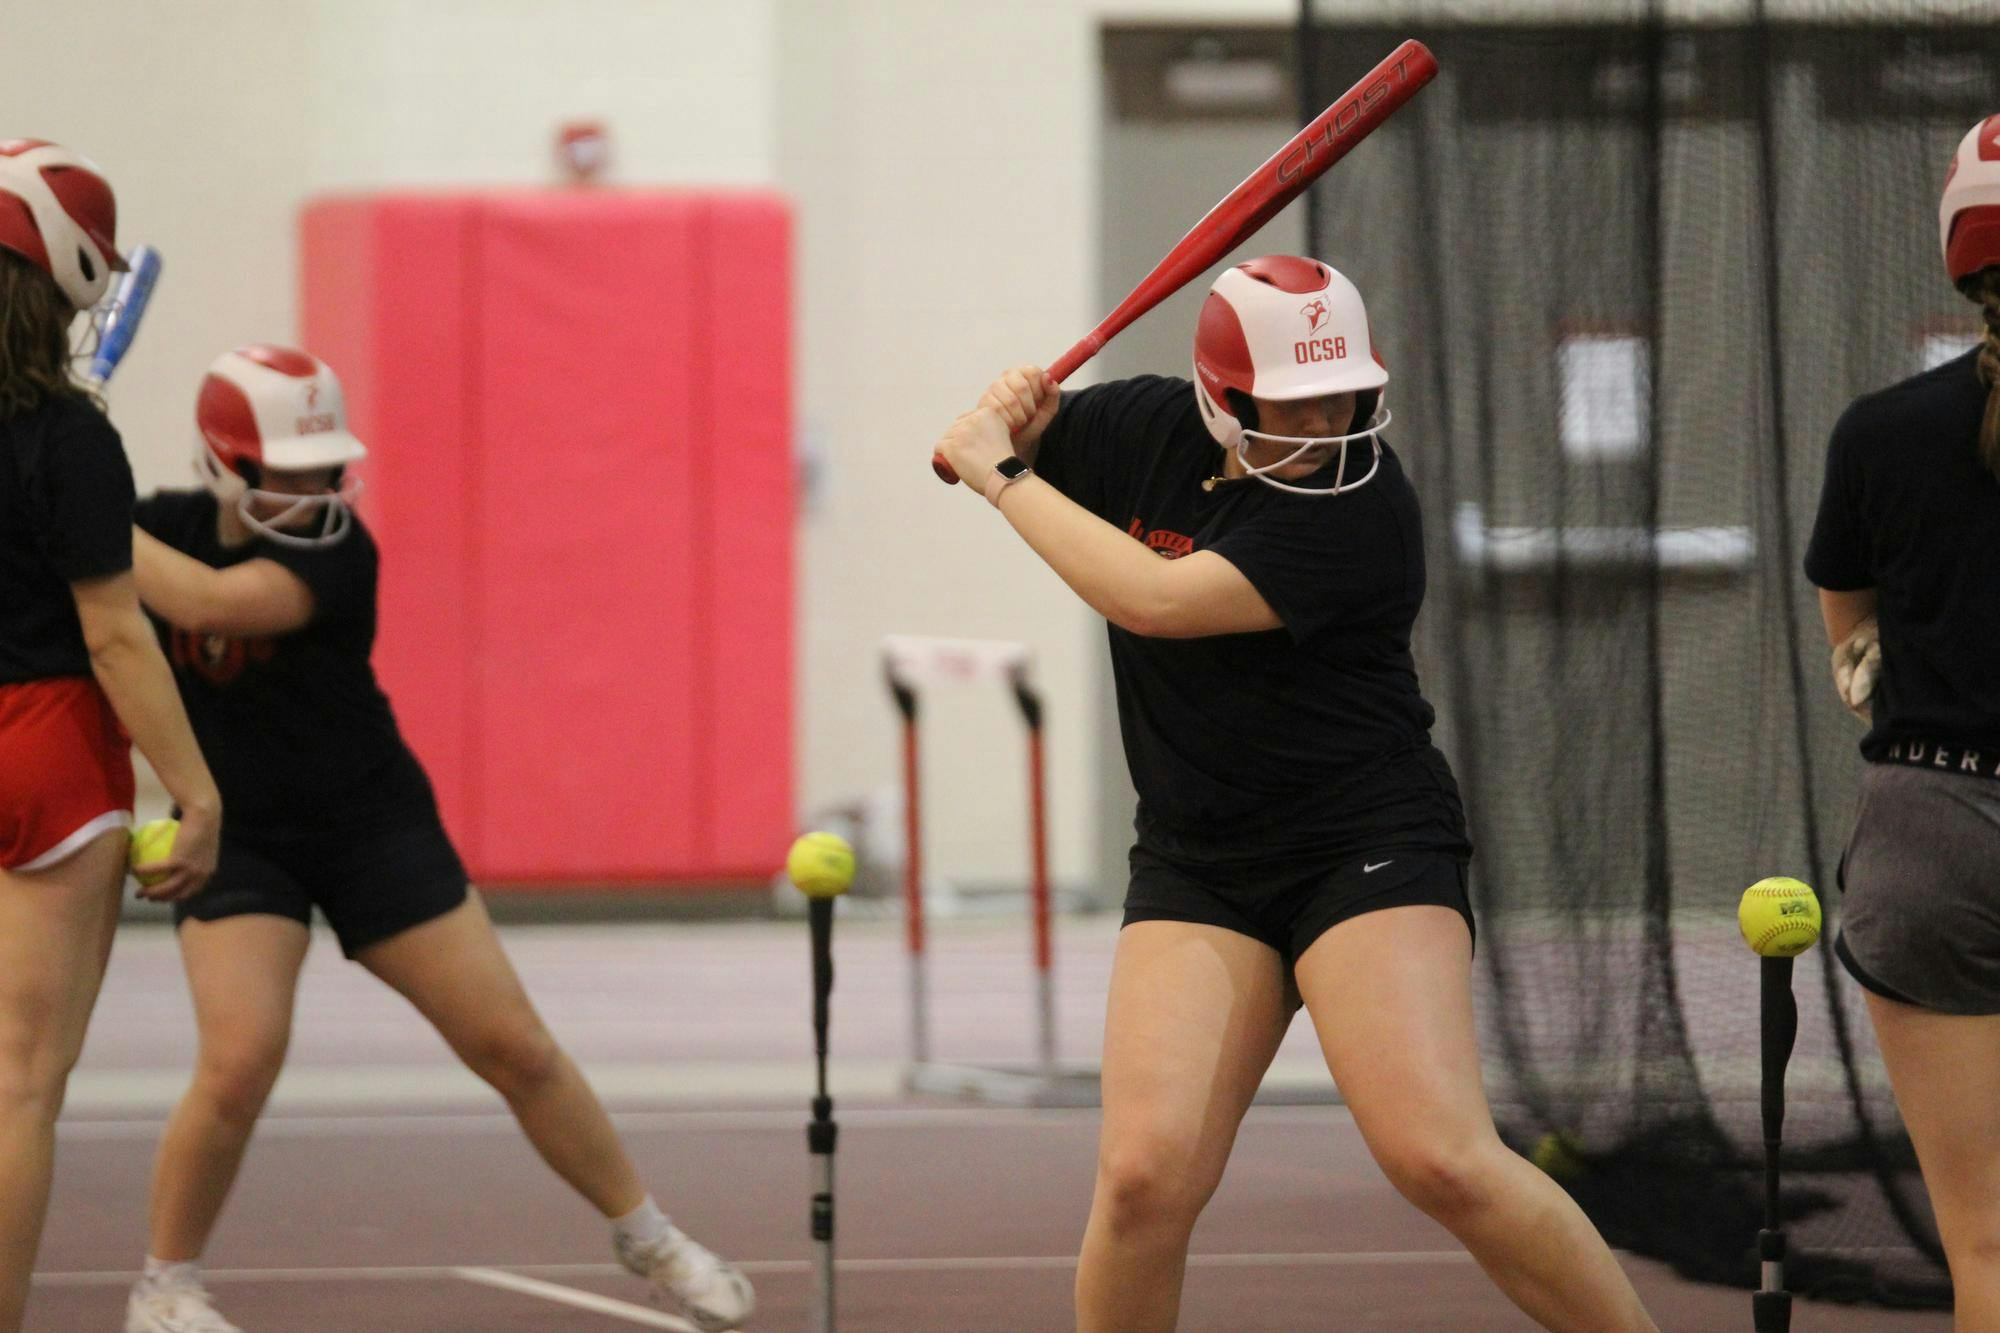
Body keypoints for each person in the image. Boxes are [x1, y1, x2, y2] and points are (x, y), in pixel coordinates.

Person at [932, 255, 1658, 1332]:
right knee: (1142, 1181)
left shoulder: (1360, 511)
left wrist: (1000, 474)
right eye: (1294, 401)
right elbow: (1010, 437)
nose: (1325, 422)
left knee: (1439, 1158)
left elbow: (1152, 598)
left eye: (1343, 395)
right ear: (1218, 400)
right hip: (1196, 858)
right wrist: (1007, 419)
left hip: (1360, 842)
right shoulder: (1140, 429)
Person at [122, 346, 752, 1333]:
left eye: (326, 466)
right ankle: (165, 1288)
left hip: (371, 822)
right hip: (236, 835)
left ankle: (647, 1232)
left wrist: (74, 514)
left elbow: (208, 603)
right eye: (290, 471)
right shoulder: (162, 526)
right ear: (223, 466)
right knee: (239, 1058)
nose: (319, 487)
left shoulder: (335, 552)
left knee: (514, 1046)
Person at [0, 139, 222, 1333]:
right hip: (41, 746)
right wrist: (196, 794)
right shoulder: (70, 435)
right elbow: (118, 638)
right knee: (18, 1090)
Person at [1806, 114, 2000, 1329]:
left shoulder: (1877, 431)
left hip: (1929, 833)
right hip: (1933, 839)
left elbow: (1854, 646)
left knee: (1982, 1238)